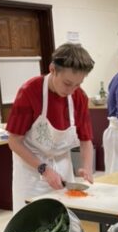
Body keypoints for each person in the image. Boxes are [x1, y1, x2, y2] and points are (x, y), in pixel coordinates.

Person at [6, 43, 95, 212]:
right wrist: (44, 170)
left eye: (78, 84)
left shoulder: (79, 97)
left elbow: (86, 140)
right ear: (53, 69)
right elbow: (14, 142)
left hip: (62, 166)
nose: (72, 90)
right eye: (67, 83)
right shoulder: (30, 92)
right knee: (31, 219)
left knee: (63, 217)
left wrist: (87, 167)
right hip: (31, 169)